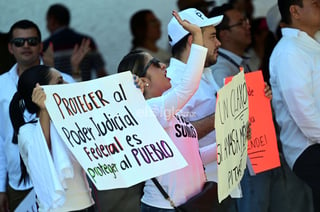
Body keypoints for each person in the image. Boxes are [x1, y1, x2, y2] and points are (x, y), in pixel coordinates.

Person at [118, 10, 216, 211]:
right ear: (143, 82)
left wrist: (234, 142)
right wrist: (198, 37)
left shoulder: (170, 111)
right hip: (163, 207)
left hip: (185, 204)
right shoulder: (151, 109)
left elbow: (193, 157)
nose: (163, 64)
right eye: (155, 64)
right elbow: (189, 86)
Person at [208, 4, 289, 212]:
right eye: (240, 23)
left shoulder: (241, 62)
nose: (248, 26)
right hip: (248, 164)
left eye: (246, 21)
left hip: (262, 155)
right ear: (224, 34)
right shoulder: (220, 70)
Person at [0, 19, 86, 212]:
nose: (26, 46)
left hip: (71, 186)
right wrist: (0, 187)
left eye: (32, 41)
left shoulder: (65, 79)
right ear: (10, 47)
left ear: (41, 45)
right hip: (18, 181)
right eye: (19, 42)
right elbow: (0, 138)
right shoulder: (1, 85)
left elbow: (85, 117)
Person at [165, 7, 238, 211]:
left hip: (220, 184)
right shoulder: (172, 81)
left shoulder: (206, 74)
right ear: (192, 41)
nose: (219, 43)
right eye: (213, 37)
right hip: (199, 194)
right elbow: (177, 138)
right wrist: (226, 114)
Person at [9, 65, 94, 211]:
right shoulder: (27, 131)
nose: (67, 85)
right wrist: (44, 110)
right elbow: (45, 154)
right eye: (60, 82)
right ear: (40, 92)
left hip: (87, 204)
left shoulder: (71, 122)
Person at [269, 0, 320, 210]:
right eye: (316, 3)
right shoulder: (290, 51)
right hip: (309, 149)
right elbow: (304, 113)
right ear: (295, 11)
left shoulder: (307, 45)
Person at [44, 3, 108, 81]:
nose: (46, 25)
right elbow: (101, 73)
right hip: (85, 91)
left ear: (52, 20)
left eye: (47, 20)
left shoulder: (46, 46)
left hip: (58, 91)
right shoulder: (87, 42)